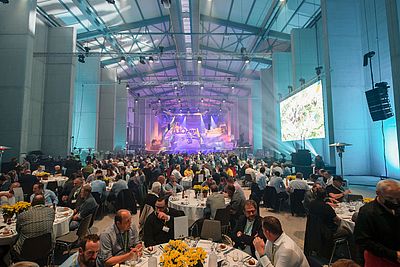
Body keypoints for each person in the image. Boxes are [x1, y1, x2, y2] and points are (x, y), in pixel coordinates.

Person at [354, 179, 400, 265]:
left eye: (398, 198)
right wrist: (393, 254)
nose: (395, 202)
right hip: (380, 259)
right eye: (390, 198)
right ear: (378, 193)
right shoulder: (367, 212)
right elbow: (362, 240)